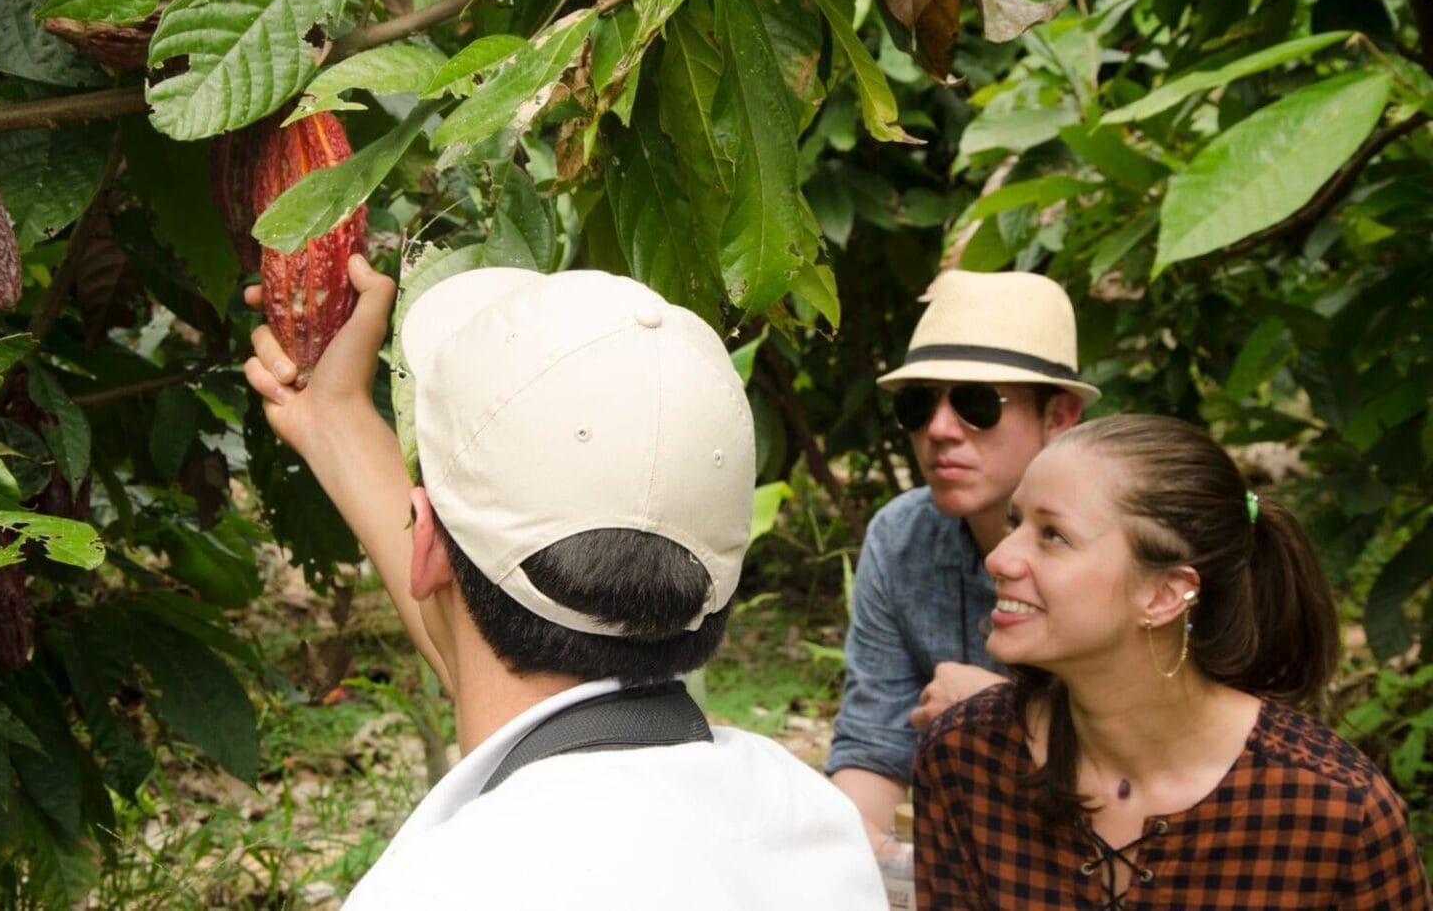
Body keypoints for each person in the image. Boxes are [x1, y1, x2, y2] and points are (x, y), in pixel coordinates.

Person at [245, 258, 888, 910]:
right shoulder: (811, 828)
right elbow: (496, 655)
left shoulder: (436, 888)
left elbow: (481, 643)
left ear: (426, 546)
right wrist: (334, 418)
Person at [911, 414, 1433, 910]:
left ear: (1165, 594)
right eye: (1015, 522)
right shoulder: (965, 757)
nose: (998, 558)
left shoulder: (1335, 810)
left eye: (1053, 535)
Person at [828, 269, 1097, 849]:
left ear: (1059, 417)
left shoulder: (1119, 550)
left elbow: (1161, 753)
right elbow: (875, 743)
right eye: (918, 405)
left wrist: (1001, 713)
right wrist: (854, 852)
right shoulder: (901, 540)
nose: (941, 430)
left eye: (977, 404)